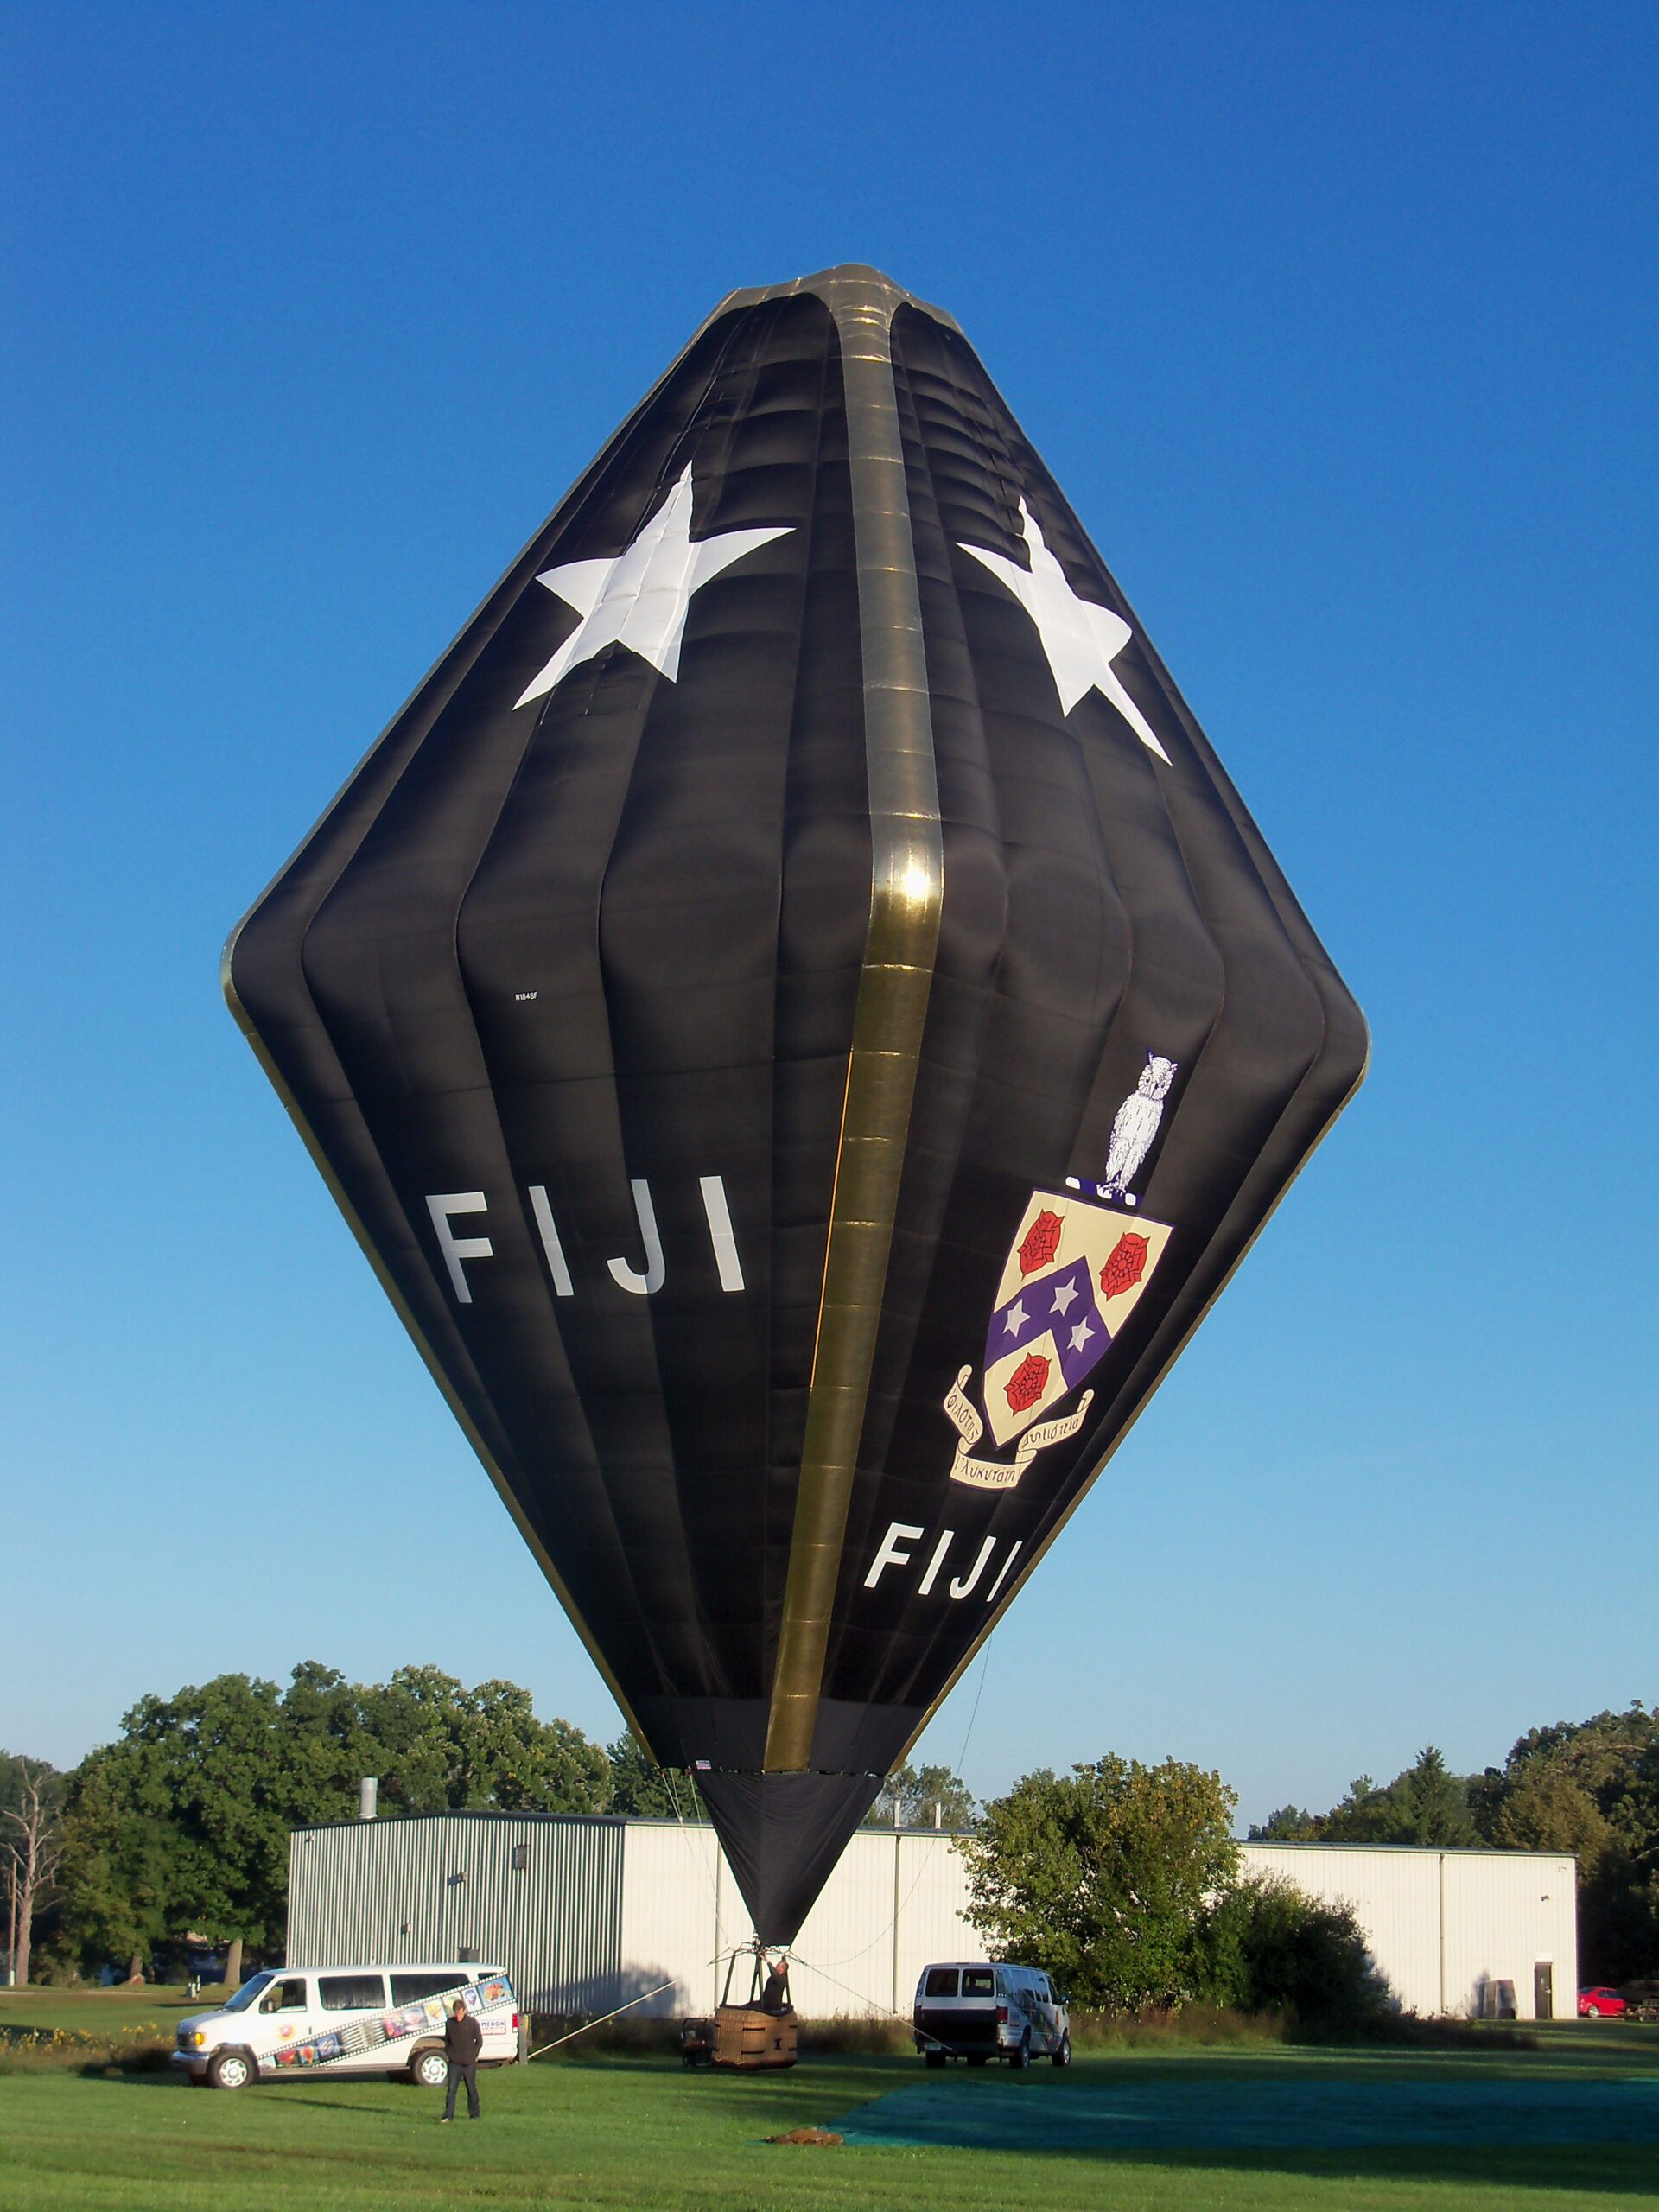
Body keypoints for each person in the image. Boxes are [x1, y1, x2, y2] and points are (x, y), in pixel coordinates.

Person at [439, 1999, 483, 2122]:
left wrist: (473, 2054)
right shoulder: (450, 2023)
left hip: (469, 2063)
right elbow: (447, 2040)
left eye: (460, 2012)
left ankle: (474, 2115)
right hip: (454, 2063)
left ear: (464, 2011)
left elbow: (479, 2041)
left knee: (471, 2089)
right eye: (456, 2012)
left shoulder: (472, 2022)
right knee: (451, 2090)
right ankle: (448, 2116)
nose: (458, 2015)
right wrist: (449, 2053)